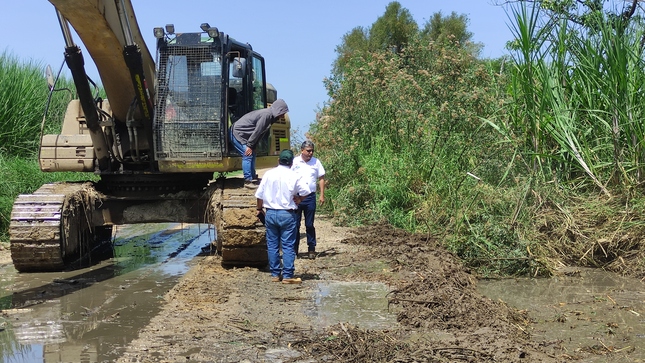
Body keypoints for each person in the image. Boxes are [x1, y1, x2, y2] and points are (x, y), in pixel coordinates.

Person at [255, 149, 311, 284]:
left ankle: (275, 274)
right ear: (291, 163)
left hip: (271, 213)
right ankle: (287, 275)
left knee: (273, 245)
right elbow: (307, 191)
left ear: (278, 160)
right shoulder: (294, 175)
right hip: (287, 213)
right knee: (287, 245)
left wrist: (259, 209)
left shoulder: (268, 174)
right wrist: (299, 199)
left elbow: (259, 195)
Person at [230, 99, 289, 189]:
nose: (283, 115)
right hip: (237, 133)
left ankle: (253, 178)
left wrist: (254, 146)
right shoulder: (266, 115)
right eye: (282, 112)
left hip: (245, 136)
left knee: (252, 153)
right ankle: (248, 180)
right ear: (278, 110)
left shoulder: (271, 117)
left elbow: (261, 133)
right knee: (247, 154)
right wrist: (250, 145)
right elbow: (257, 131)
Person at [291, 140, 326, 259]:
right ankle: (294, 250)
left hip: (310, 197)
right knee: (295, 225)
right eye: (308, 151)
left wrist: (322, 195)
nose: (310, 153)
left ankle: (311, 248)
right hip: (296, 197)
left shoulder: (316, 162)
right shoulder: (295, 161)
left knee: (309, 224)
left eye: (312, 151)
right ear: (302, 150)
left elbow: (321, 178)